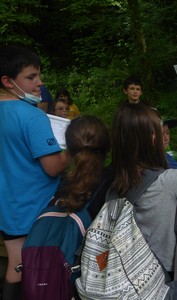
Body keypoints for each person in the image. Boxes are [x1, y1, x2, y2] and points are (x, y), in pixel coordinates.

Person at [110, 102, 177, 277]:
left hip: (125, 270)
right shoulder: (164, 182)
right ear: (151, 140)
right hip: (162, 274)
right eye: (157, 132)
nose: (164, 137)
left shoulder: (113, 176)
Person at [0, 45, 70, 300]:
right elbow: (53, 167)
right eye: (31, 77)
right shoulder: (32, 116)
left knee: (16, 264)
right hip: (37, 209)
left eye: (39, 75)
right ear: (8, 81)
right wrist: (73, 147)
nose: (40, 83)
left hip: (8, 207)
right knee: (42, 269)